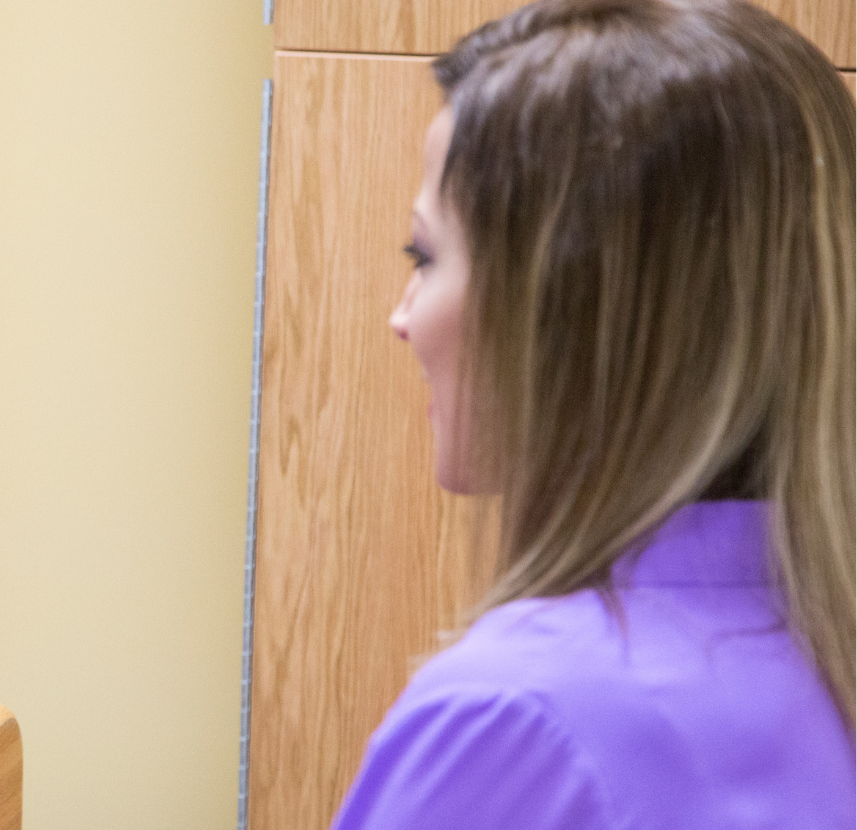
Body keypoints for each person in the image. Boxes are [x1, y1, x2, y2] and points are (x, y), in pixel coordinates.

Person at [338, 0, 854, 827]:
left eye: (423, 256)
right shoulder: (822, 665)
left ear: (567, 310)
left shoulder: (513, 718)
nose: (403, 318)